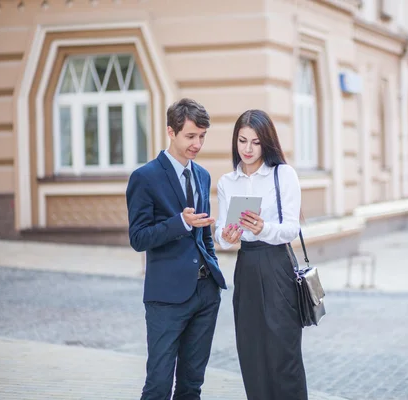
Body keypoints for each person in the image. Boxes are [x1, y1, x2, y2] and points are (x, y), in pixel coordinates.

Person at [126, 98, 226, 400]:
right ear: (171, 131)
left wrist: (213, 267)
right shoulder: (145, 177)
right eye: (190, 136)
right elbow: (138, 238)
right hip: (166, 298)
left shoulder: (203, 175)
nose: (197, 144)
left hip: (205, 294)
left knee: (191, 386)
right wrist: (179, 223)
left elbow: (203, 231)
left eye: (202, 136)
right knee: (158, 386)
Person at [214, 109, 308, 400]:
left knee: (284, 354)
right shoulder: (227, 182)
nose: (247, 149)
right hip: (247, 265)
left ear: (266, 143)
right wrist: (226, 238)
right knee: (252, 351)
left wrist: (264, 227)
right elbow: (220, 231)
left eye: (255, 142)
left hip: (278, 264)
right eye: (242, 141)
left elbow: (292, 228)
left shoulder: (283, 175)